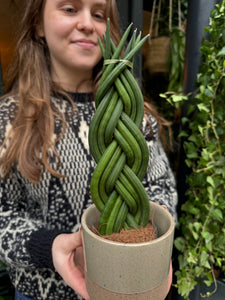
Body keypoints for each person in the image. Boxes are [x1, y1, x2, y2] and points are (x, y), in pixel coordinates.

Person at [0, 0, 177, 299]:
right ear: (39, 25)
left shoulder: (135, 115)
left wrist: (153, 244)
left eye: (99, 14)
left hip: (126, 286)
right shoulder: (10, 118)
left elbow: (161, 186)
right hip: (40, 293)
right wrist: (51, 246)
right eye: (69, 9)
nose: (87, 23)